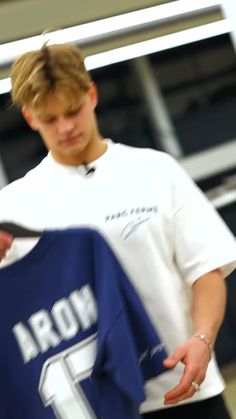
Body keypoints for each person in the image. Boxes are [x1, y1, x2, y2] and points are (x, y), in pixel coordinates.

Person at [0, 42, 236, 419]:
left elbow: (206, 268)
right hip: (97, 408)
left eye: (73, 111)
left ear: (91, 95)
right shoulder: (12, 207)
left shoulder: (156, 171)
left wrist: (203, 338)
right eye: (49, 118)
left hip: (187, 390)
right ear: (30, 118)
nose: (65, 127)